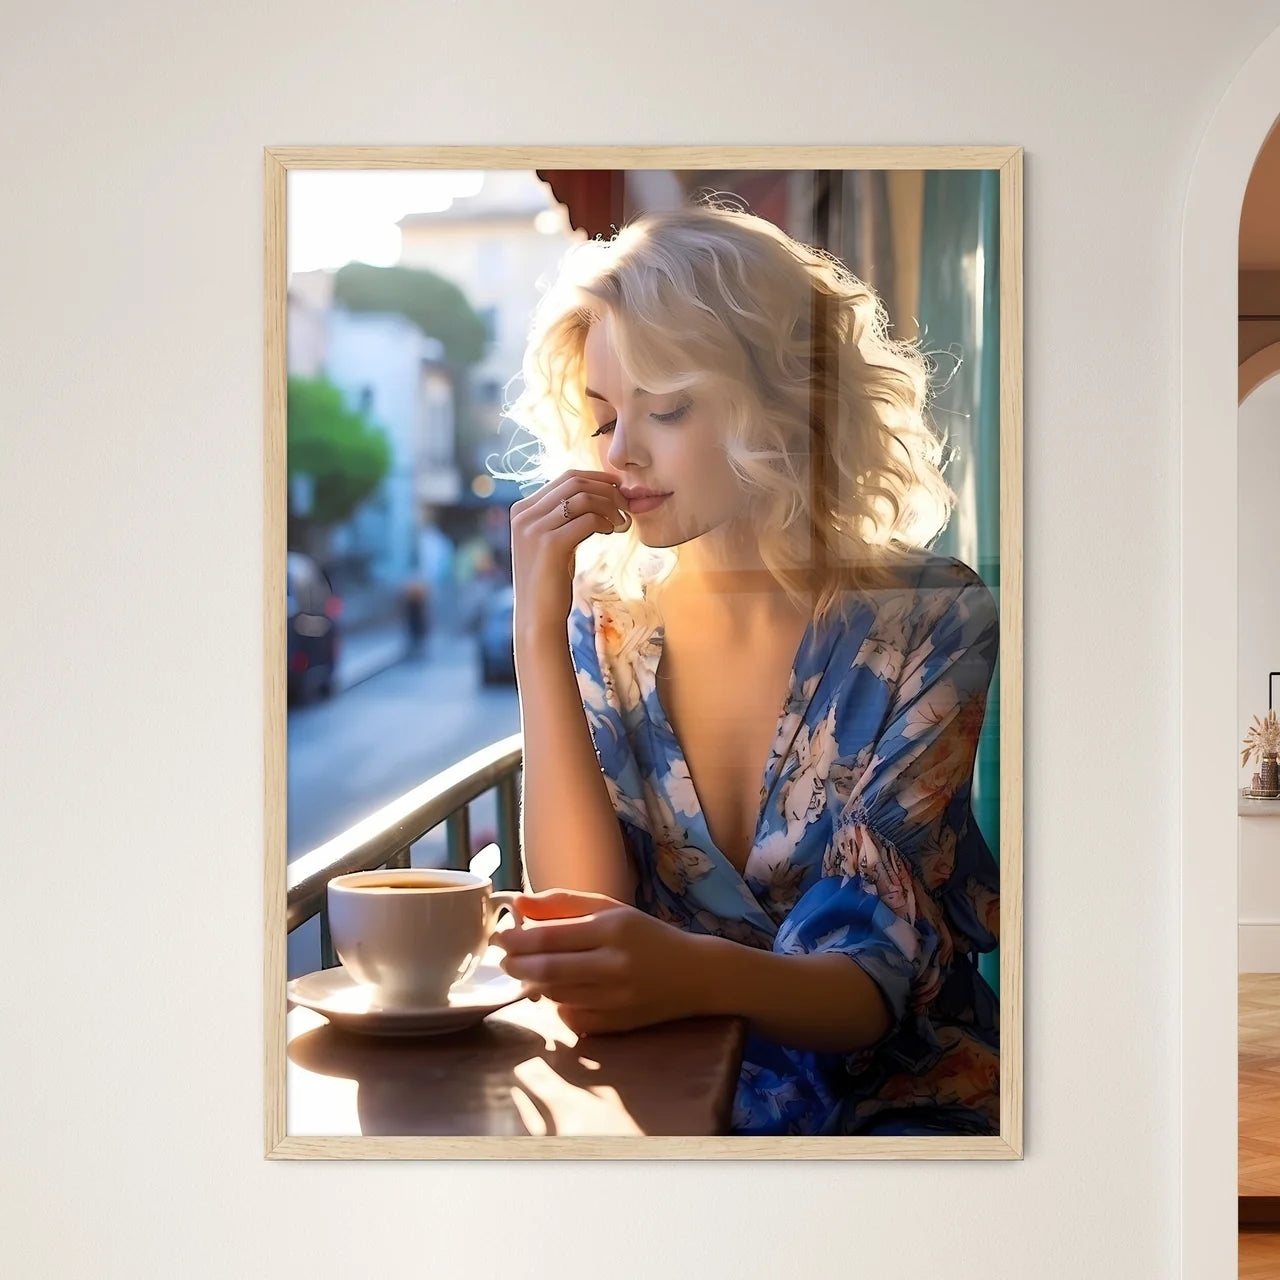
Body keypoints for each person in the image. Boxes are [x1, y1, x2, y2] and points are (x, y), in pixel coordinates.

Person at [490, 200, 1001, 1137]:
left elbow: (872, 987)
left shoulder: (931, 618)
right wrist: (536, 632)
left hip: (902, 1115)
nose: (622, 452)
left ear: (782, 399)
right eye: (604, 416)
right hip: (675, 1095)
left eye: (667, 408)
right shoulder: (607, 622)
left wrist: (685, 972)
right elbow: (583, 919)